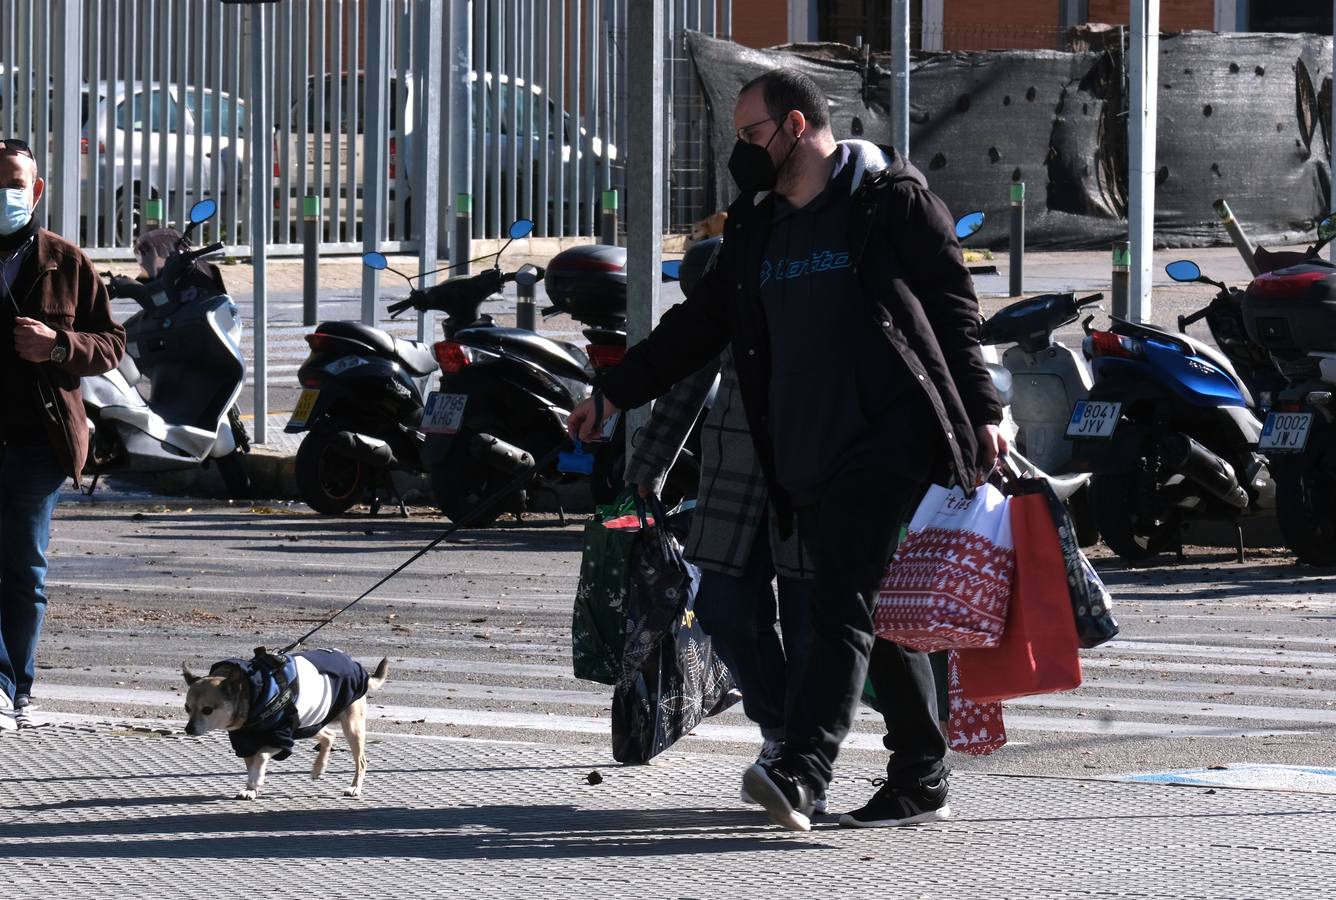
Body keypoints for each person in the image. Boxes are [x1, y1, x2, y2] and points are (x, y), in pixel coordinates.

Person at [569, 70, 1005, 831]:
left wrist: (986, 411)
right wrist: (615, 393)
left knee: (837, 601)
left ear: (795, 125)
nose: (741, 152)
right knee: (865, 609)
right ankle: (921, 770)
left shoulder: (888, 201)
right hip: (798, 454)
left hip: (886, 440)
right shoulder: (757, 224)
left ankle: (801, 769)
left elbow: (952, 310)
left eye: (750, 134)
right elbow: (695, 329)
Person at [622, 304, 822, 812]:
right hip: (735, 475)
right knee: (723, 612)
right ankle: (778, 731)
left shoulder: (844, 242)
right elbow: (693, 364)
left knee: (811, 630)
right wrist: (651, 460)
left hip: (818, 474)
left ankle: (802, 763)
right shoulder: (734, 256)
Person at [0, 138, 126, 729]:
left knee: (24, 569)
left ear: (36, 190)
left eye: (13, 185)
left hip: (36, 445)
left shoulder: (65, 262)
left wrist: (59, 346)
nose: (4, 196)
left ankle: (15, 687)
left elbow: (111, 346)